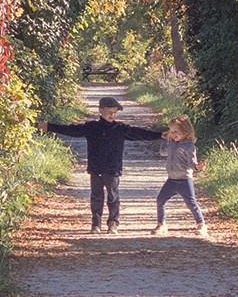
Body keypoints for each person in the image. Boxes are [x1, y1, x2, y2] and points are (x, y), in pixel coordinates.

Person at [44, 96, 163, 231]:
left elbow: (140, 134)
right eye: (109, 112)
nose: (112, 115)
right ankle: (96, 224)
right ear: (100, 110)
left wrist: (159, 135)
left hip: (113, 169)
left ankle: (113, 223)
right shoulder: (91, 127)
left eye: (115, 112)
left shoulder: (120, 128)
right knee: (96, 197)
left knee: (113, 197)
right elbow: (71, 130)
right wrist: (49, 127)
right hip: (96, 168)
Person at [152, 116, 208, 236]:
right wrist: (165, 140)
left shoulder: (189, 146)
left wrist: (197, 167)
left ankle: (201, 224)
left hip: (184, 180)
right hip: (171, 180)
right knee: (160, 200)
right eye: (171, 131)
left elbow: (192, 162)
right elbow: (163, 152)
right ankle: (161, 224)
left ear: (185, 131)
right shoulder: (171, 143)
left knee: (191, 203)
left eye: (176, 131)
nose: (173, 134)